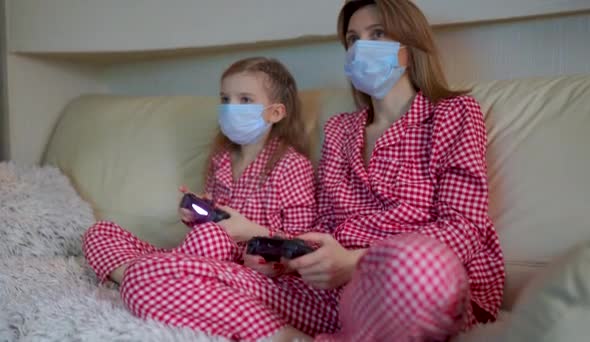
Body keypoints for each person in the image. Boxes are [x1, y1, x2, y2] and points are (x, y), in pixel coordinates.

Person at [119, 1, 505, 341]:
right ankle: (290, 336)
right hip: (328, 293)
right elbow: (321, 227)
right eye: (353, 39)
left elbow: (464, 226)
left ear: (409, 47)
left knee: (419, 264)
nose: (360, 47)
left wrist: (356, 262)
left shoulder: (454, 113)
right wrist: (283, 250)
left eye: (377, 34)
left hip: (409, 282)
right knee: (145, 277)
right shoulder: (341, 130)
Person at [83, 57, 318, 285]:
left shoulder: (292, 165)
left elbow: (302, 243)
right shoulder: (221, 159)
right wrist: (197, 215)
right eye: (225, 99)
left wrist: (250, 231)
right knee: (100, 232)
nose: (230, 108)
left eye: (245, 100)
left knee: (211, 237)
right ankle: (145, 279)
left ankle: (150, 279)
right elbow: (210, 227)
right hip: (201, 259)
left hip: (250, 274)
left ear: (275, 112)